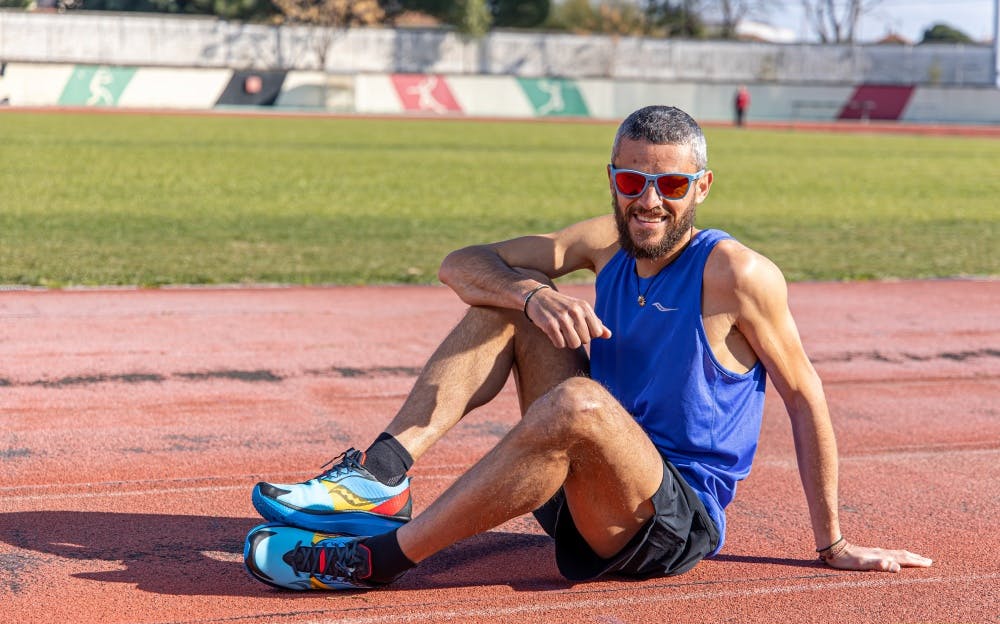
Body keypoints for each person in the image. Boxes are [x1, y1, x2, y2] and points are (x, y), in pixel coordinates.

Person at [243, 105, 932, 591]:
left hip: (668, 516)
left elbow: (804, 395)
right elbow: (462, 263)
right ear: (613, 179)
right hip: (582, 476)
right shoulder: (605, 244)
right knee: (513, 301)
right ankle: (383, 475)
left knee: (579, 399)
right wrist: (534, 296)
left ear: (702, 187)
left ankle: (376, 560)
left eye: (671, 184)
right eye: (632, 181)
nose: (650, 202)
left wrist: (833, 542)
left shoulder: (736, 275)